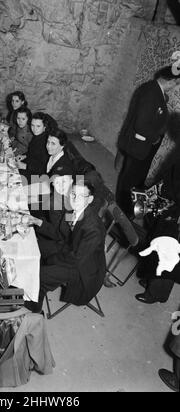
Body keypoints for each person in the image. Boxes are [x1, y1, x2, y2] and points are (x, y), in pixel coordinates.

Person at [26, 180, 106, 313]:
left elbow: (76, 259)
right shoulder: (73, 211)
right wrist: (38, 222)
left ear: (90, 199)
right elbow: (59, 233)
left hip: (82, 269)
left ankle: (33, 313)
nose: (75, 199)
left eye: (81, 196)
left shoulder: (93, 229)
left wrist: (52, 260)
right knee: (32, 245)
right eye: (73, 194)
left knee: (38, 277)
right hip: (70, 250)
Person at [116, 65, 180, 218]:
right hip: (140, 146)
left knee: (131, 175)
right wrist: (155, 138)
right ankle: (124, 209)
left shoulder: (153, 90)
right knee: (132, 178)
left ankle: (125, 205)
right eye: (176, 83)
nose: (175, 86)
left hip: (140, 145)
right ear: (169, 81)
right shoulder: (152, 93)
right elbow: (141, 124)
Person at [135, 156, 180, 304]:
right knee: (157, 243)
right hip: (169, 205)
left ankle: (156, 293)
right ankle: (152, 278)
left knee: (168, 252)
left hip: (175, 214)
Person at [17, 112, 58, 181]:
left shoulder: (47, 143)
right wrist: (24, 156)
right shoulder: (37, 136)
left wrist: (25, 166)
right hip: (30, 167)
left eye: (38, 126)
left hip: (38, 177)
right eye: (32, 125)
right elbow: (32, 151)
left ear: (44, 127)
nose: (34, 129)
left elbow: (46, 167)